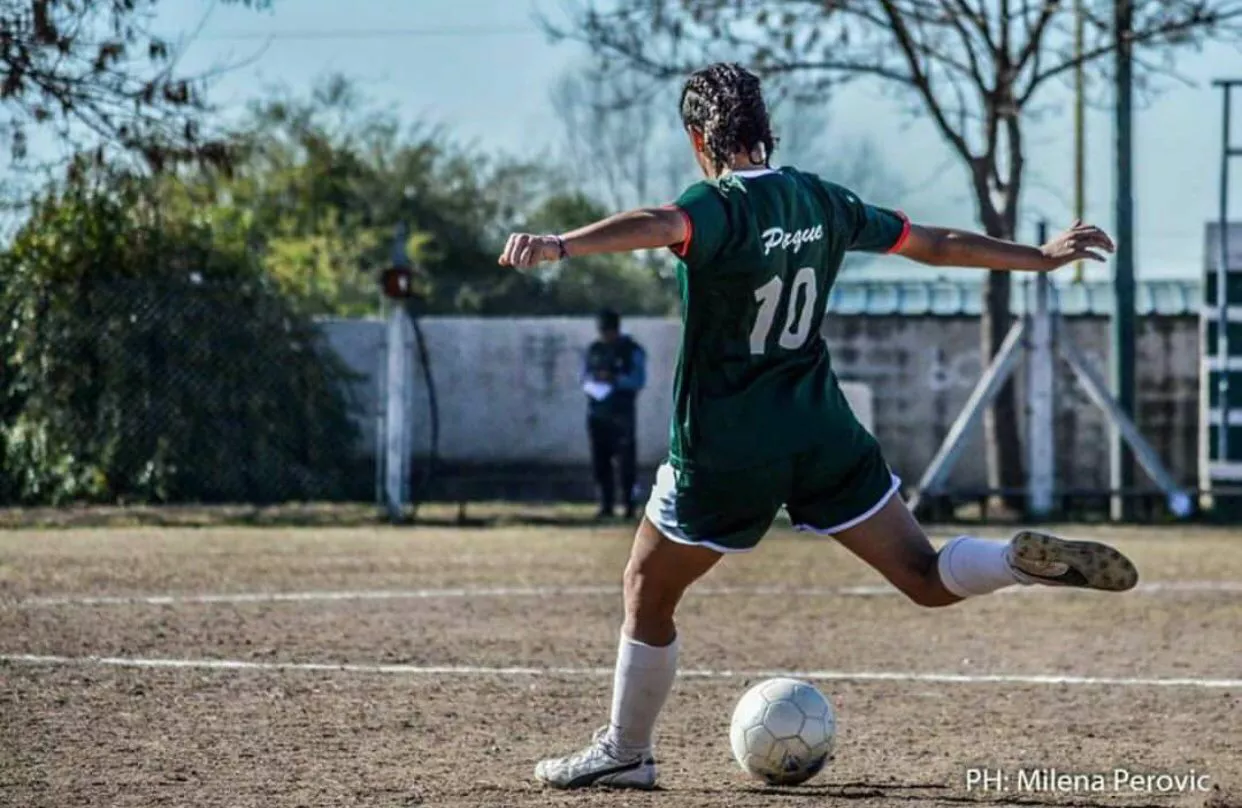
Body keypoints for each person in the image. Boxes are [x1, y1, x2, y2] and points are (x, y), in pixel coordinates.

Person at [498, 62, 1137, 791]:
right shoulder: (821, 200)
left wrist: (562, 243)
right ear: (766, 129)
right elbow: (933, 242)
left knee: (647, 583)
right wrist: (1038, 257)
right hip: (822, 431)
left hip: (729, 444)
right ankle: (1013, 564)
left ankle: (626, 751)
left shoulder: (717, 205)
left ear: (698, 136)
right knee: (925, 578)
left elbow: (660, 224)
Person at [583, 309, 647, 520]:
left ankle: (629, 505)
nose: (605, 335)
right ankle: (606, 504)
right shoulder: (594, 349)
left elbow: (638, 380)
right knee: (600, 461)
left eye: (608, 330)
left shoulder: (631, 350)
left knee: (626, 461)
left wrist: (614, 380)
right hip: (597, 413)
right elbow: (584, 377)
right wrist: (596, 380)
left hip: (622, 414)